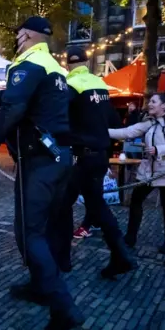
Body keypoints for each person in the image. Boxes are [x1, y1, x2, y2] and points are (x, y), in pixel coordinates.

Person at [0, 16, 84, 330]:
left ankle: (63, 308)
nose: (16, 39)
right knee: (45, 228)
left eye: (18, 34)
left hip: (38, 161)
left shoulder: (27, 64)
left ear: (24, 35)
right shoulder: (54, 68)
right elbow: (31, 101)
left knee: (29, 234)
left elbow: (13, 110)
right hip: (60, 158)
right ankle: (40, 286)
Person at [58, 47, 136, 278]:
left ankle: (64, 259)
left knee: (78, 206)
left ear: (68, 64)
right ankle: (118, 255)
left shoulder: (70, 85)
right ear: (86, 61)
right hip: (100, 154)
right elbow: (113, 120)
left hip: (82, 155)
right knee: (86, 205)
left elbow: (58, 114)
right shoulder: (100, 84)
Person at [108, 92, 165, 254]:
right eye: (149, 101)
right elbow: (128, 132)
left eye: (153, 101)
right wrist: (103, 131)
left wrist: (158, 149)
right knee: (136, 200)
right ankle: (130, 238)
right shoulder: (150, 122)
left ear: (164, 105)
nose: (149, 104)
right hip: (149, 172)